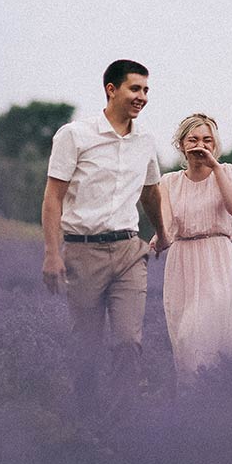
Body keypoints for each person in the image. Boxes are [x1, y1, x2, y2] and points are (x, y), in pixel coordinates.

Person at [42, 59, 169, 420]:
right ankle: (85, 423)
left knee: (129, 342)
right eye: (135, 88)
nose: (142, 97)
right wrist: (53, 254)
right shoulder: (75, 135)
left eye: (146, 90)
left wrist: (161, 230)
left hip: (130, 250)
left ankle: (121, 423)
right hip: (83, 252)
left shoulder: (145, 141)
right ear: (111, 90)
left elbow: (150, 191)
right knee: (86, 347)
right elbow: (53, 198)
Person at [152, 113, 232, 384]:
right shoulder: (169, 182)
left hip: (216, 260)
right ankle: (192, 408)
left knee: (202, 332)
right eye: (193, 140)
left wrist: (215, 168)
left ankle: (219, 398)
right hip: (182, 263)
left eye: (207, 140)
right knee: (183, 338)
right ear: (181, 145)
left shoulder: (227, 172)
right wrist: (158, 238)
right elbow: (168, 225)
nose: (200, 145)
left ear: (215, 145)